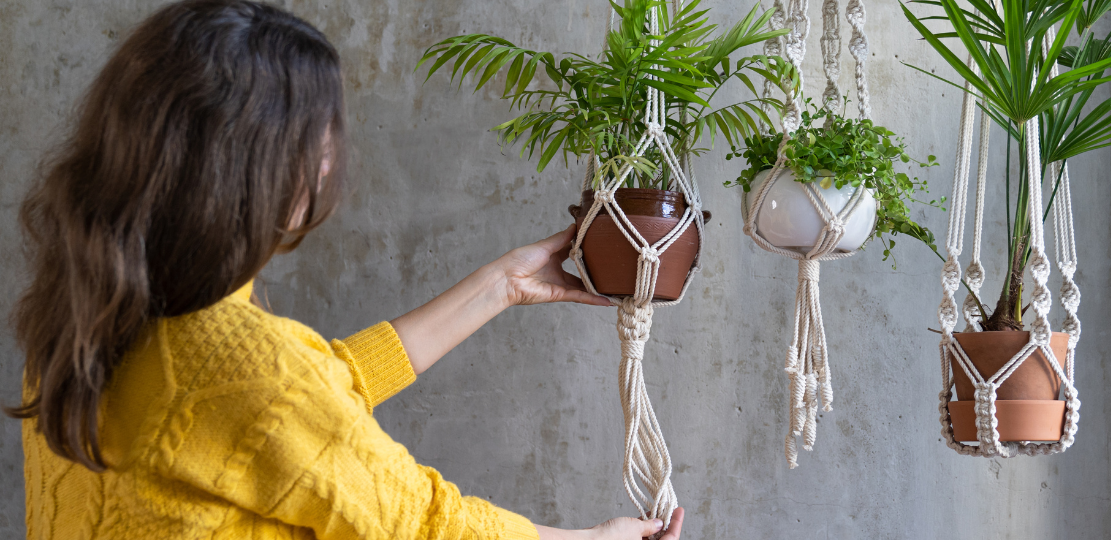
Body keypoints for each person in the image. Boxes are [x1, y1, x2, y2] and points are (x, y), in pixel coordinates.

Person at [7, 1, 685, 539]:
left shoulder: (85, 321)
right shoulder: (238, 365)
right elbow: (417, 524)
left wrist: (501, 285)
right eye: (319, 142)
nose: (330, 163)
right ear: (255, 167)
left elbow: (306, 395)